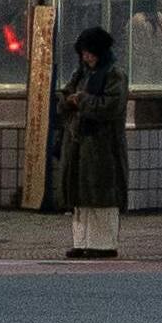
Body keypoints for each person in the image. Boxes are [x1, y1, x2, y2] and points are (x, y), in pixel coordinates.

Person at [57, 27, 130, 258]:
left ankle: (103, 243)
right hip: (79, 144)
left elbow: (111, 106)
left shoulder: (113, 74)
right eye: (83, 53)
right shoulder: (81, 74)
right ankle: (82, 241)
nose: (85, 57)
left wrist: (82, 100)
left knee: (101, 196)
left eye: (89, 53)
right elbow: (64, 98)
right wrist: (67, 101)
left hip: (102, 147)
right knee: (81, 196)